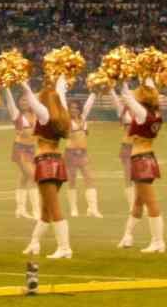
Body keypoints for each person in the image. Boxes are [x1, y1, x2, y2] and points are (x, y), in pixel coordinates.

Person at [20, 76, 73, 259]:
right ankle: (34, 243)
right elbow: (61, 95)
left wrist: (21, 81)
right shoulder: (62, 114)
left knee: (54, 207)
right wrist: (61, 80)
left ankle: (64, 247)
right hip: (58, 161)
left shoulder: (44, 115)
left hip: (45, 163)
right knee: (46, 209)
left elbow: (31, 99)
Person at [115, 81, 166, 252]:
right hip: (148, 157)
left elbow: (127, 97)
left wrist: (121, 77)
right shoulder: (156, 113)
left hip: (141, 160)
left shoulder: (143, 114)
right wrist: (147, 75)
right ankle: (127, 236)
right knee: (138, 203)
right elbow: (148, 92)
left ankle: (158, 241)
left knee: (151, 203)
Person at [65, 88, 101, 219]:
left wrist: (95, 91)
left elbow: (89, 105)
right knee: (72, 181)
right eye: (71, 108)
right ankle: (73, 209)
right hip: (71, 153)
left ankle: (93, 209)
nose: (74, 110)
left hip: (83, 153)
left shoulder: (83, 118)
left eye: (76, 108)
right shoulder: (67, 120)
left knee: (89, 179)